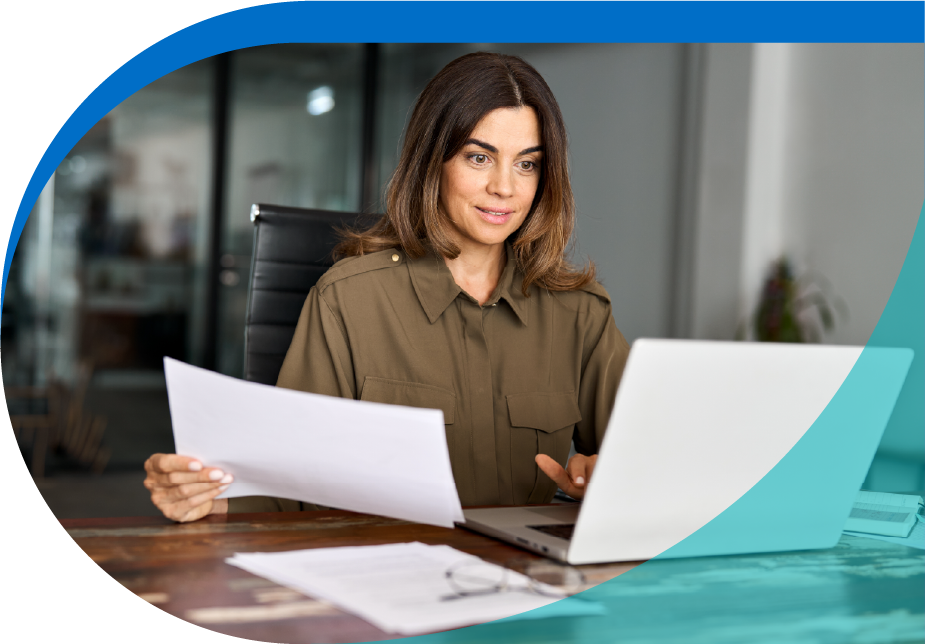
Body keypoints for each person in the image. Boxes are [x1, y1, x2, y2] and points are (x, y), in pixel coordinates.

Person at [144, 52, 630, 523]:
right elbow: (288, 488)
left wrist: (607, 478)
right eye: (479, 157)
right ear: (431, 162)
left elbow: (642, 464)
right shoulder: (349, 301)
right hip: (386, 575)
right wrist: (203, 496)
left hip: (528, 585)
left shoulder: (579, 312)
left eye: (527, 164)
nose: (505, 187)